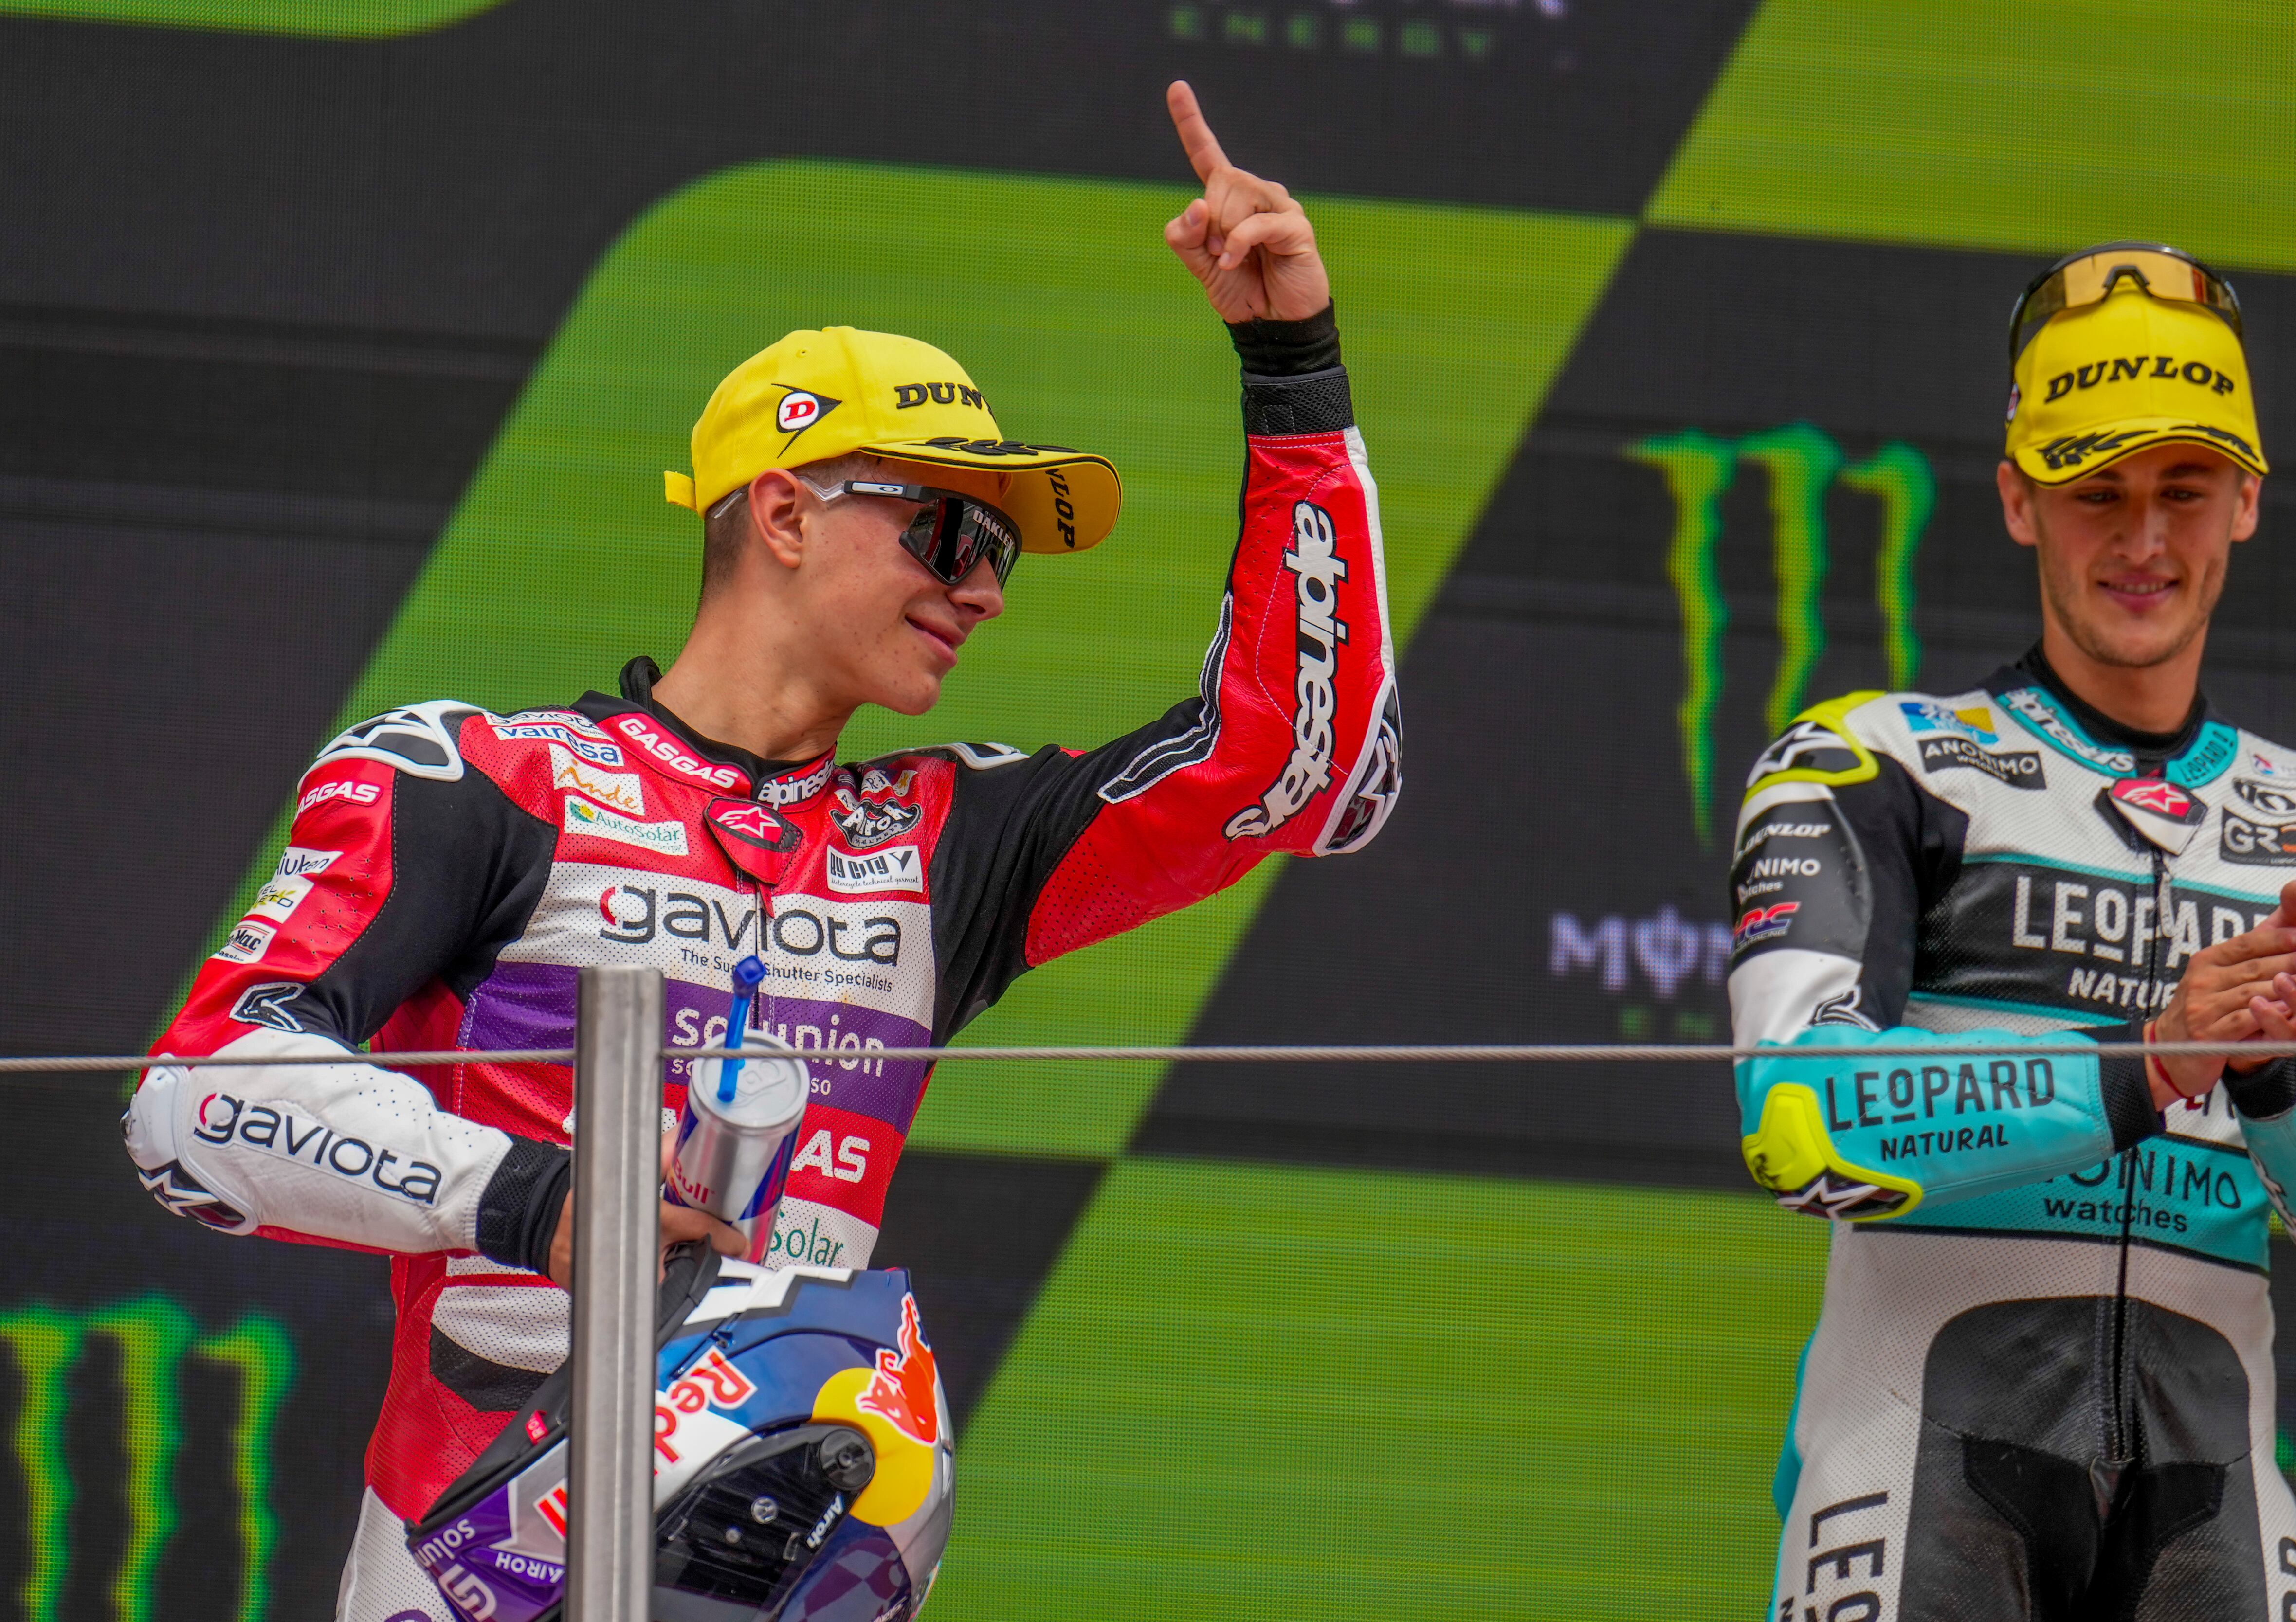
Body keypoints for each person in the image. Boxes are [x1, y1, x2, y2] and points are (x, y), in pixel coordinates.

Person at [123, 81, 1400, 1618]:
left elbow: (1297, 771)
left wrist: (1293, 368)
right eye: (951, 531)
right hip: (476, 1561)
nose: (985, 588)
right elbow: (193, 1103)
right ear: (784, 513)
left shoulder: (948, 842)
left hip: (790, 1553)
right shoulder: (481, 776)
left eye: (999, 552)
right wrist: (552, 1202)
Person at [1727, 242, 2296, 1620]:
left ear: (2247, 503)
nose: (2145, 541)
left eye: (2184, 490)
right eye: (2095, 492)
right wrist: (2154, 1060)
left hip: (2215, 1489)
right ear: (2015, 501)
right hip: (1914, 1461)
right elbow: (1799, 1115)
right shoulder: (1871, 764)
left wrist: (2284, 1078)